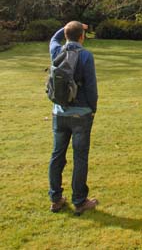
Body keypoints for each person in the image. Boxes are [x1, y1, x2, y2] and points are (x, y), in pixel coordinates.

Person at [48, 21, 98, 215]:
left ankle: (55, 199)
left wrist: (67, 28)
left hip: (58, 113)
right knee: (80, 157)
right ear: (81, 37)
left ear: (67, 35)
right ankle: (79, 201)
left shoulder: (56, 51)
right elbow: (91, 87)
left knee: (57, 155)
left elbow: (54, 38)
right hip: (81, 114)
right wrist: (92, 108)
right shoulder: (86, 55)